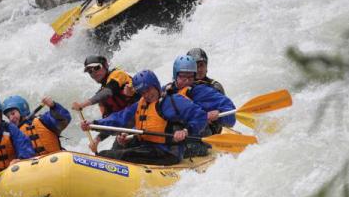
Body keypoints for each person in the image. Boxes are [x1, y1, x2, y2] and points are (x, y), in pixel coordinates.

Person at [80, 69, 208, 165]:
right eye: (142, 92)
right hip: (147, 146)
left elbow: (201, 116)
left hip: (166, 152)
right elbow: (119, 118)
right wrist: (93, 124)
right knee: (114, 149)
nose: (147, 94)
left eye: (149, 89)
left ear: (156, 85)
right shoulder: (140, 104)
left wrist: (186, 131)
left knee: (107, 155)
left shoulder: (173, 101)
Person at [164, 54, 236, 156]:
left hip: (197, 140)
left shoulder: (202, 92)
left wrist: (219, 113)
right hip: (172, 136)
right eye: (183, 76)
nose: (187, 81)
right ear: (175, 75)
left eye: (190, 77)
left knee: (173, 149)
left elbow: (231, 117)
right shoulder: (166, 91)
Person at [72, 55, 139, 152]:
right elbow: (110, 123)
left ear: (106, 65)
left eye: (96, 68)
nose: (94, 72)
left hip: (145, 118)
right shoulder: (102, 100)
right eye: (90, 71)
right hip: (127, 129)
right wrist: (97, 140)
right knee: (114, 153)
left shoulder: (118, 74)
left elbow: (109, 91)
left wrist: (83, 104)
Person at [2, 95, 72, 156]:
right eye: (8, 117)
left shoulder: (45, 120)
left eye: (13, 113)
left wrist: (53, 106)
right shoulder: (13, 134)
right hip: (31, 167)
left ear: (22, 110)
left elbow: (64, 119)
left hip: (54, 161)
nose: (11, 118)